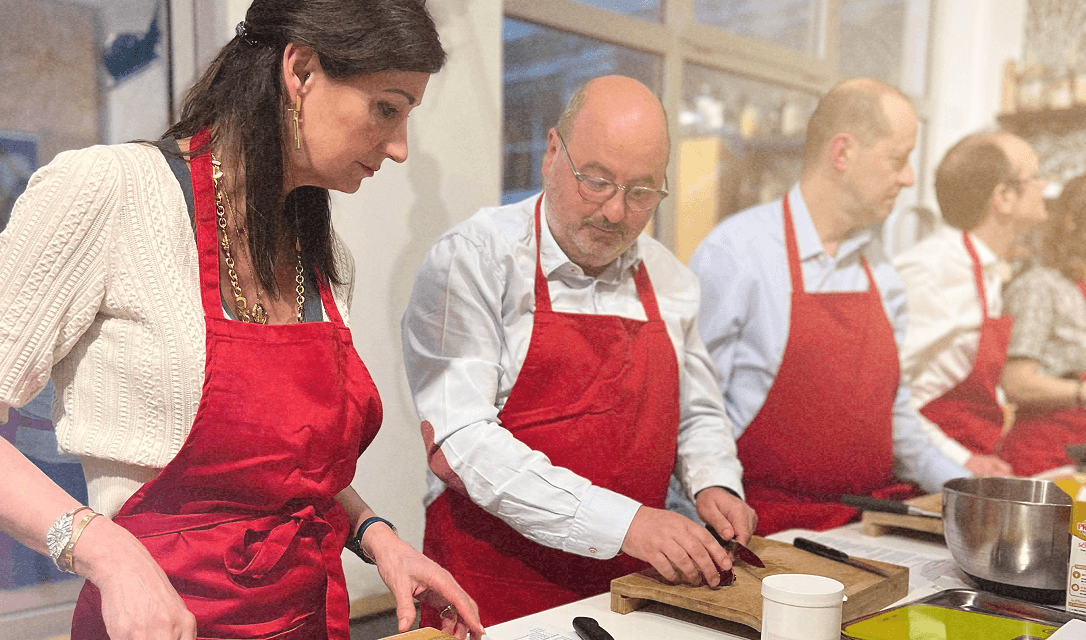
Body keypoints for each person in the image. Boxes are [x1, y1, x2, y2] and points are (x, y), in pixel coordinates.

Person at [0, 2, 484, 639]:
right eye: (386, 108)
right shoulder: (108, 193)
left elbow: (278, 470)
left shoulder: (321, 251)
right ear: (301, 70)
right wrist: (105, 552)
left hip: (311, 621)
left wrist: (376, 537)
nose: (398, 148)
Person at [401, 75, 757, 626]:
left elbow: (699, 413)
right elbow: (462, 442)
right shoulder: (473, 260)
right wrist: (629, 524)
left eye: (641, 192)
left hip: (633, 591)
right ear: (551, 153)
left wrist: (714, 480)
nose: (615, 212)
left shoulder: (670, 279)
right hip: (494, 593)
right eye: (596, 181)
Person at [686, 78, 970, 536]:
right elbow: (694, 413)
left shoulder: (880, 269)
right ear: (842, 154)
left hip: (866, 524)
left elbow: (893, 414)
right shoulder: (737, 253)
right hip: (765, 528)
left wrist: (969, 489)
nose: (909, 178)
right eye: (898, 160)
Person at [895, 132, 1046, 477]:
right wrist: (957, 461)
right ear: (1004, 197)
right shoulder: (935, 270)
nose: (1044, 186)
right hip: (919, 476)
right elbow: (884, 395)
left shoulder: (987, 269)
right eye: (1036, 176)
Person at [999, 174, 1086, 475]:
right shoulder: (1040, 287)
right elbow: (1016, 382)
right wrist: (1081, 392)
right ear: (1073, 226)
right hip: (1043, 458)